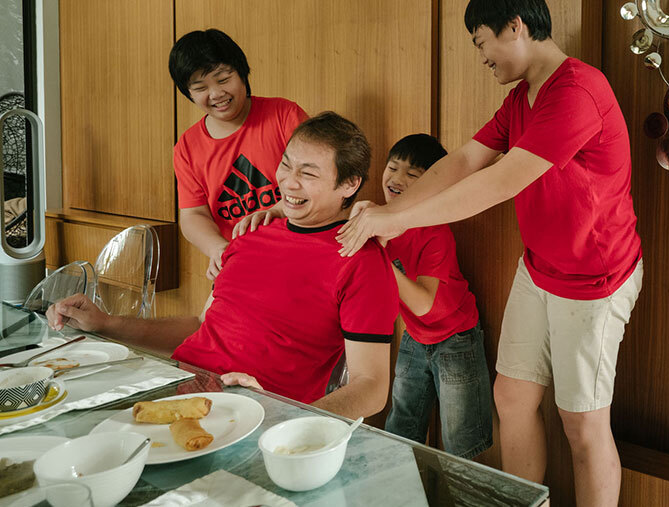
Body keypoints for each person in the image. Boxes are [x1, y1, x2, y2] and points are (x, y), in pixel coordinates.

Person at [337, 0, 642, 507]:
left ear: (516, 27)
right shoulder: (522, 98)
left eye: (481, 42)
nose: (481, 56)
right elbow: (461, 162)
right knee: (512, 395)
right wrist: (391, 213)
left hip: (595, 281)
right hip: (540, 268)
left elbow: (498, 183)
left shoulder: (578, 91)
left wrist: (393, 224)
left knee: (583, 426)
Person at [47, 112, 399, 419]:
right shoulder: (249, 234)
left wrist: (293, 422)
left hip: (257, 413)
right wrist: (106, 323)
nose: (289, 182)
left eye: (308, 174)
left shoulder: (360, 261)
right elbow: (202, 327)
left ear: (349, 184)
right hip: (176, 388)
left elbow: (371, 387)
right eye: (286, 164)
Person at [374, 134, 493, 458]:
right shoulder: (379, 220)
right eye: (393, 167)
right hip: (415, 336)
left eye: (413, 175)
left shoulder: (435, 232)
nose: (397, 179)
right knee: (400, 427)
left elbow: (424, 303)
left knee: (461, 440)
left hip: (456, 338)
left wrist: (379, 257)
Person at [169, 29, 308, 281]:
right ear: (188, 93)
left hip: (301, 257)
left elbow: (317, 181)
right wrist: (218, 249)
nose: (216, 94)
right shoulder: (187, 147)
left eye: (223, 79)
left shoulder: (284, 116)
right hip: (242, 266)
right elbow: (193, 215)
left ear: (242, 72)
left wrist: (277, 210)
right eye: (201, 87)